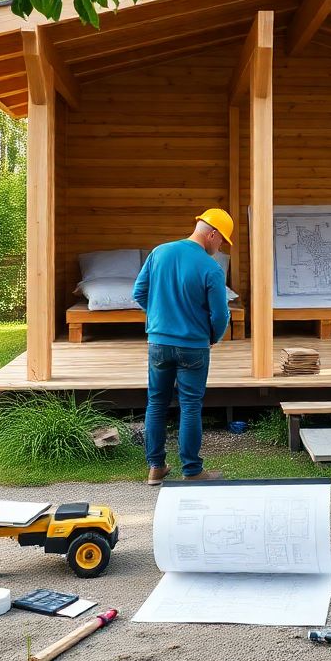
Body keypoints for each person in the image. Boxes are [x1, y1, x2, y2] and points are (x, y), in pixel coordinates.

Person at [133, 208, 233, 485]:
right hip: (193, 347)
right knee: (190, 406)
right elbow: (220, 315)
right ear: (212, 233)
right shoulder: (211, 268)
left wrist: (159, 317)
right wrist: (213, 337)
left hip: (159, 343)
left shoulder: (159, 252)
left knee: (156, 403)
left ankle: (155, 468)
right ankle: (192, 470)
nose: (221, 246)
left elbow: (138, 292)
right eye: (222, 240)